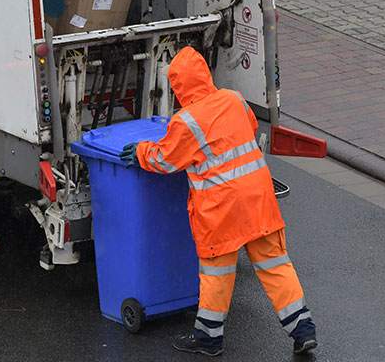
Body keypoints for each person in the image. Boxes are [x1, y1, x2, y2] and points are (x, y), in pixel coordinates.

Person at [120, 46, 317, 356]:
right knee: (275, 265)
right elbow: (249, 130)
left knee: (217, 274)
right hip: (258, 200)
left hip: (221, 210)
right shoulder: (234, 99)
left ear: (179, 87)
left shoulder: (186, 121)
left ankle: (209, 338)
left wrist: (141, 152)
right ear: (205, 75)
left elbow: (167, 160)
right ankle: (302, 329)